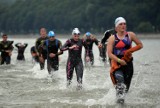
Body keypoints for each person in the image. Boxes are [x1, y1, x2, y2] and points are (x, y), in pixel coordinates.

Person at [107, 17, 143, 102]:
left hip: (128, 65)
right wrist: (119, 61)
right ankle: (119, 105)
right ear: (116, 27)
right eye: (121, 24)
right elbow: (109, 54)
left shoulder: (130, 35)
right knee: (120, 85)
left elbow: (140, 45)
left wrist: (129, 51)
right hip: (117, 65)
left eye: (124, 24)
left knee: (125, 90)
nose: (123, 25)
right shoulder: (112, 38)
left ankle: (120, 103)